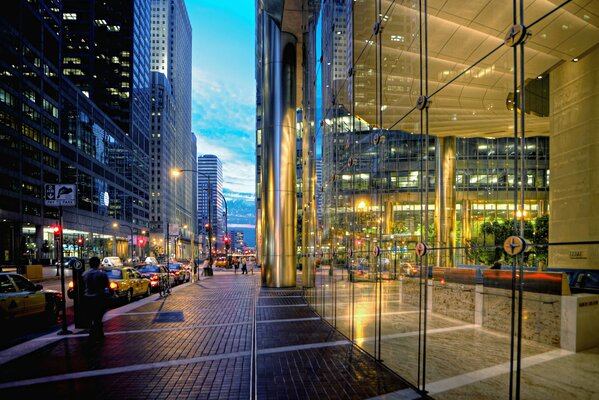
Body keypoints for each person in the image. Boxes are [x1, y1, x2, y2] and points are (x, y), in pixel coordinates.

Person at [83, 256, 110, 340]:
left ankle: (93, 332)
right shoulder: (102, 274)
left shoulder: (85, 274)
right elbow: (107, 285)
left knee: (92, 316)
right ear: (98, 264)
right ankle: (98, 333)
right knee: (98, 317)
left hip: (87, 298)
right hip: (99, 298)